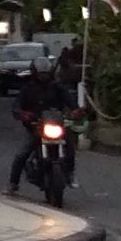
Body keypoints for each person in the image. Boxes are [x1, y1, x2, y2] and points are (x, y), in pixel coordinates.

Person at [6, 58, 74, 194]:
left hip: (55, 125)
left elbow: (70, 100)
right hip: (35, 126)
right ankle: (13, 183)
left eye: (46, 73)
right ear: (34, 73)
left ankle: (70, 174)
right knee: (22, 153)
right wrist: (22, 113)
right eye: (41, 73)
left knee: (70, 147)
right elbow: (17, 104)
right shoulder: (27, 89)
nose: (44, 76)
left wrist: (76, 110)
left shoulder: (57, 88)